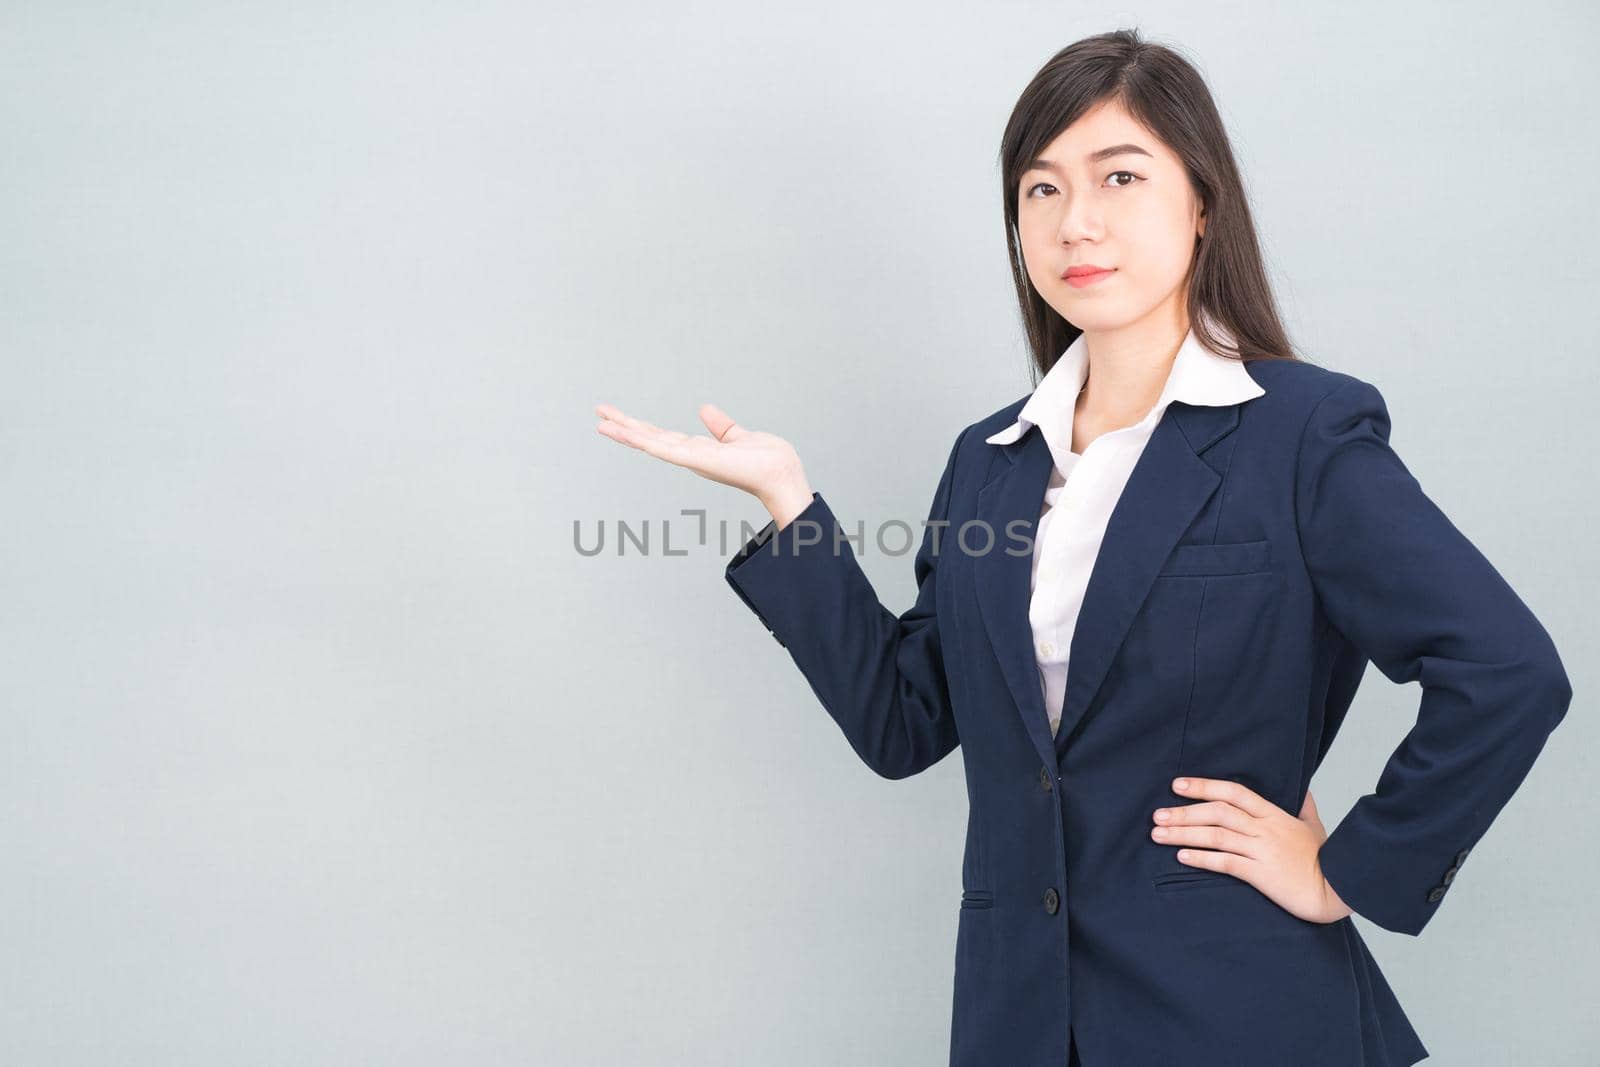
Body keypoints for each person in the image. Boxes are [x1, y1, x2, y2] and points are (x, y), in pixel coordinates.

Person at [594, 28, 1571, 1067]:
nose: (1077, 221)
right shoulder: (991, 460)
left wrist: (1348, 868)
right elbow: (904, 721)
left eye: (1120, 176)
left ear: (1201, 204)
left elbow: (1507, 670)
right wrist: (790, 505)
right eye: (1041, 190)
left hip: (1236, 1014)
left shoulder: (1300, 432)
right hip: (1019, 1019)